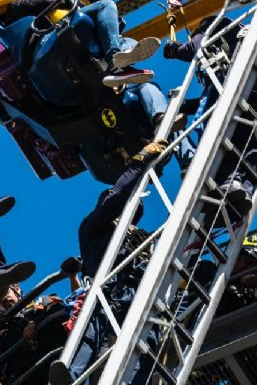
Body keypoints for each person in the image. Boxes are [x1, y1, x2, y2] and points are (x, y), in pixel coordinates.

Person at [50, 141, 167, 385]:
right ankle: (70, 376)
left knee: (147, 343)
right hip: (107, 290)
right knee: (92, 332)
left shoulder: (142, 240)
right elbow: (117, 199)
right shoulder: (92, 227)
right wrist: (137, 166)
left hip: (138, 291)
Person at [163, 15, 257, 224]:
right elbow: (203, 103)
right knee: (243, 148)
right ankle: (232, 190)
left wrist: (174, 49)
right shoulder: (228, 68)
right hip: (244, 103)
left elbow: (194, 47)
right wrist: (179, 105)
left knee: (229, 147)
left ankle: (226, 186)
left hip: (232, 103)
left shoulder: (216, 37)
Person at [0, 0, 160, 87]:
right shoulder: (18, 6)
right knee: (106, 4)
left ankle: (118, 64)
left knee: (125, 40)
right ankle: (115, 59)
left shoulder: (30, 10)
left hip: (64, 27)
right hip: (57, 30)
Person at [0, 257, 82, 385]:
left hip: (55, 367)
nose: (3, 299)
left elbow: (68, 313)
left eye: (3, 292)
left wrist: (34, 323)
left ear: (15, 287)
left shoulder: (43, 303)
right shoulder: (1, 331)